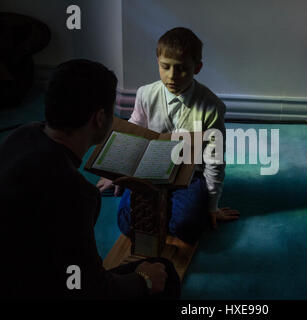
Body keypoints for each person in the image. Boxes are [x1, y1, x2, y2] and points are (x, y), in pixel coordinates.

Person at [0, 59, 180, 299]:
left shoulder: (21, 134)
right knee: (163, 272)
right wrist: (143, 281)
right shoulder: (74, 193)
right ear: (99, 118)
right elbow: (90, 291)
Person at [97, 27, 240, 245]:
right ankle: (162, 205)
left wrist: (212, 206)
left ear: (197, 68)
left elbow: (215, 160)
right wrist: (115, 170)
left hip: (190, 173)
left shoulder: (211, 106)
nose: (172, 76)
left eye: (182, 69)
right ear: (158, 63)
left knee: (187, 228)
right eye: (165, 67)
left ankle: (175, 207)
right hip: (149, 169)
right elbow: (134, 130)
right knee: (128, 224)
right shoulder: (146, 94)